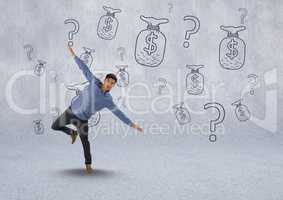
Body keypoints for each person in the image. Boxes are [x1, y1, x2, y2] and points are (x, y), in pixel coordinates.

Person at [51, 46, 143, 174]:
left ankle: (88, 165)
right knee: (55, 126)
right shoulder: (94, 82)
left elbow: (119, 113)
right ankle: (72, 133)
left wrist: (132, 124)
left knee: (85, 143)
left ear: (113, 85)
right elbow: (85, 69)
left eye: (112, 83)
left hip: (82, 120)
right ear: (104, 80)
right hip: (71, 112)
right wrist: (74, 56)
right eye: (108, 81)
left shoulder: (108, 100)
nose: (109, 84)